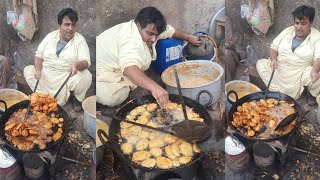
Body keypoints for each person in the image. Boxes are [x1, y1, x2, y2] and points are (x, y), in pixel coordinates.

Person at [96, 6, 201, 110]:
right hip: (101, 69)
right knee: (115, 96)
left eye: (157, 35)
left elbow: (169, 31)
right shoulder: (130, 40)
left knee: (137, 76)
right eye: (150, 34)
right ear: (138, 25)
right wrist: (155, 87)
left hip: (115, 61)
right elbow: (129, 68)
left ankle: (132, 81)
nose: (154, 39)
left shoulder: (148, 28)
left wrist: (189, 38)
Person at [24, 8, 92, 111]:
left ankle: (77, 99)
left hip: (65, 77)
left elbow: (86, 61)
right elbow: (39, 55)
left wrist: (77, 65)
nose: (70, 28)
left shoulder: (79, 40)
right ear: (59, 25)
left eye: (73, 25)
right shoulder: (50, 36)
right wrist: (38, 70)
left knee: (86, 76)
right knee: (28, 70)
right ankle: (41, 96)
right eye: (67, 24)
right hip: (46, 75)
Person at [256, 5, 320, 105]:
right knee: (260, 64)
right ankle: (277, 91)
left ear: (311, 23)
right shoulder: (288, 31)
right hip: (280, 68)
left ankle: (311, 94)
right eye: (296, 23)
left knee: (318, 74)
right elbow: (274, 47)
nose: (299, 27)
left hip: (298, 72)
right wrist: (273, 60)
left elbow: (318, 56)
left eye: (303, 24)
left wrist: (315, 70)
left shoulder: (316, 36)